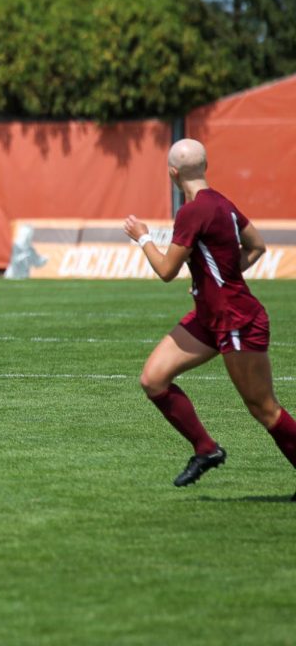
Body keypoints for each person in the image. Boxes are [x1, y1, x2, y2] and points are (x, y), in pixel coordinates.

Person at [124, 138, 296, 498]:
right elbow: (257, 246)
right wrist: (217, 281)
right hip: (210, 315)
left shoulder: (191, 211)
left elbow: (167, 270)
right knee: (153, 380)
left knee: (263, 409)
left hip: (235, 320)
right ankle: (206, 449)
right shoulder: (222, 202)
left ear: (173, 173)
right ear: (205, 167)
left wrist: (142, 238)